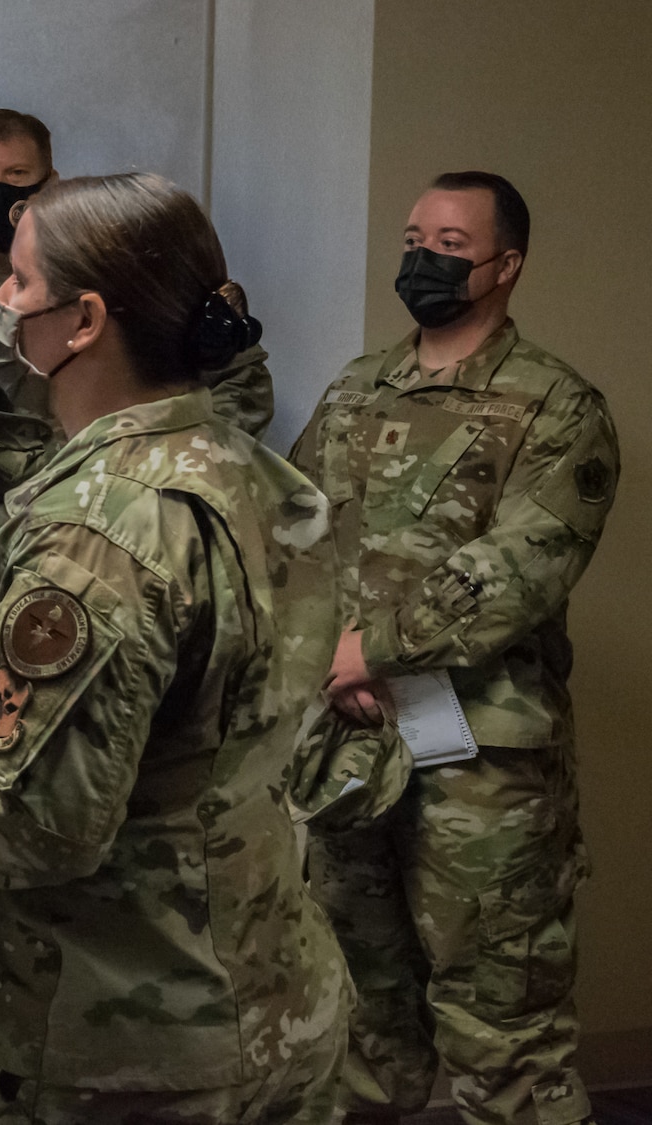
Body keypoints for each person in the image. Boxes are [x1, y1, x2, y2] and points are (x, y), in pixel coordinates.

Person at [0, 171, 350, 1125]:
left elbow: (45, 822)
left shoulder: (98, 531)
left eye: (17, 283)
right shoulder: (244, 467)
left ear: (82, 321)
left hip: (120, 1041)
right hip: (265, 990)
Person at [292, 173, 616, 1125]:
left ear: (504, 264)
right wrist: (323, 654)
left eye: (448, 241)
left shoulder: (558, 406)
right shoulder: (357, 387)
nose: (422, 257)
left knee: (502, 1033)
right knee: (357, 1018)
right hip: (349, 752)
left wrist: (373, 649)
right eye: (412, 236)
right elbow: (291, 531)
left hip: (483, 769)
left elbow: (523, 565)